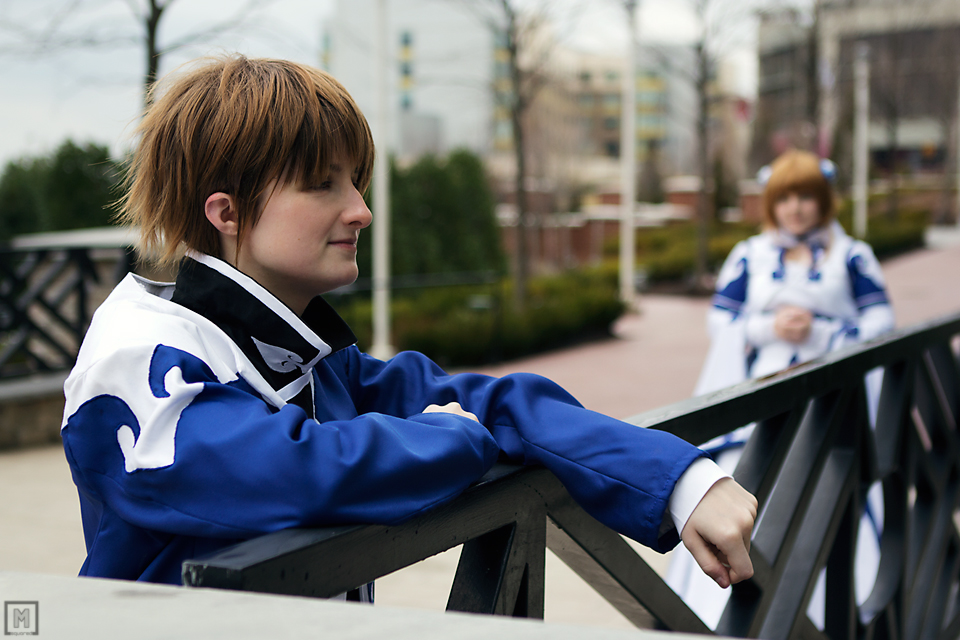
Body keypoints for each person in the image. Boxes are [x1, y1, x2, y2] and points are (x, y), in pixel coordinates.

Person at [60, 55, 756, 596]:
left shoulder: (310, 355)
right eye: (323, 184)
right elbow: (291, 469)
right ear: (227, 212)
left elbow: (501, 404)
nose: (360, 210)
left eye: (355, 181)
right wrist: (454, 436)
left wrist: (681, 481)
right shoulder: (137, 355)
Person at [666, 149, 895, 627]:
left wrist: (824, 335)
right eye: (785, 197)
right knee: (744, 486)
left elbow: (881, 321)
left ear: (824, 200)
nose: (796, 207)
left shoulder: (852, 254)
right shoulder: (749, 254)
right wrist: (768, 329)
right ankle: (723, 615)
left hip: (830, 396)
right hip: (760, 394)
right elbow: (721, 320)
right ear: (772, 201)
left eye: (807, 196)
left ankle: (822, 617)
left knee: (826, 486)